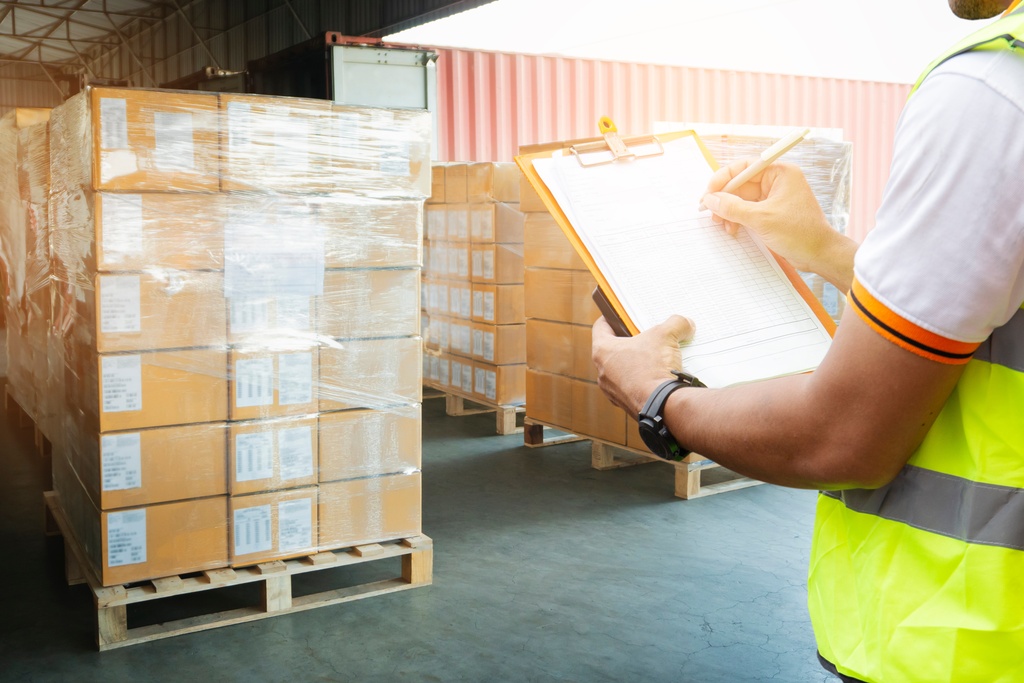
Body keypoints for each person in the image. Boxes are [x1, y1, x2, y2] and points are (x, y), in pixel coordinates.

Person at [590, 1, 1024, 681]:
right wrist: (821, 247)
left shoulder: (996, 92)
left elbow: (842, 435)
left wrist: (656, 396)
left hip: (966, 642)